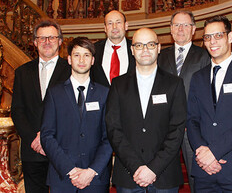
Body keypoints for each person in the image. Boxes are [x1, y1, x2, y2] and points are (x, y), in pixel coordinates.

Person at [187, 15, 232, 192]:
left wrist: (213, 152)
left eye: (218, 35)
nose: (212, 41)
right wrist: (202, 153)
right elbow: (192, 120)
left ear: (230, 37)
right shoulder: (198, 78)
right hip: (204, 170)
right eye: (207, 37)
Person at [106, 28, 187, 192]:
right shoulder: (118, 85)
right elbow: (114, 129)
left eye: (150, 44)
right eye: (139, 45)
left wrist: (153, 168)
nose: (145, 50)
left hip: (165, 176)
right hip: (128, 175)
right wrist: (136, 167)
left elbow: (177, 130)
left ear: (158, 48)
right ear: (132, 50)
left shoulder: (174, 84)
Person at [40, 37, 113, 193]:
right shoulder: (54, 94)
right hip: (63, 178)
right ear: (69, 59)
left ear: (93, 60)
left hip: (95, 179)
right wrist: (71, 170)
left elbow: (109, 137)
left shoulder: (105, 93)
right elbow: (47, 136)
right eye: (76, 55)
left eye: (86, 55)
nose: (81, 60)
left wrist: (91, 170)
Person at [11, 19, 71, 193]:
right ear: (35, 42)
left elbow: (72, 111)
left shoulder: (70, 70)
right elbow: (17, 110)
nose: (47, 42)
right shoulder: (22, 72)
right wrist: (34, 139)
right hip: (33, 150)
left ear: (60, 41)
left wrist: (48, 139)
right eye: (42, 38)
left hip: (62, 148)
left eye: (51, 37)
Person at [158, 11, 210, 193]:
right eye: (177, 25)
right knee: (163, 178)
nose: (181, 29)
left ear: (194, 29)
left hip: (193, 129)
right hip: (164, 129)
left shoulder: (204, 56)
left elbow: (207, 95)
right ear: (171, 29)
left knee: (197, 177)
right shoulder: (159, 57)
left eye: (185, 25)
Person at [92, 10, 135, 87]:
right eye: (110, 23)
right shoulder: (93, 50)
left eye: (118, 22)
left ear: (126, 26)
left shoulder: (137, 49)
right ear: (105, 28)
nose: (114, 27)